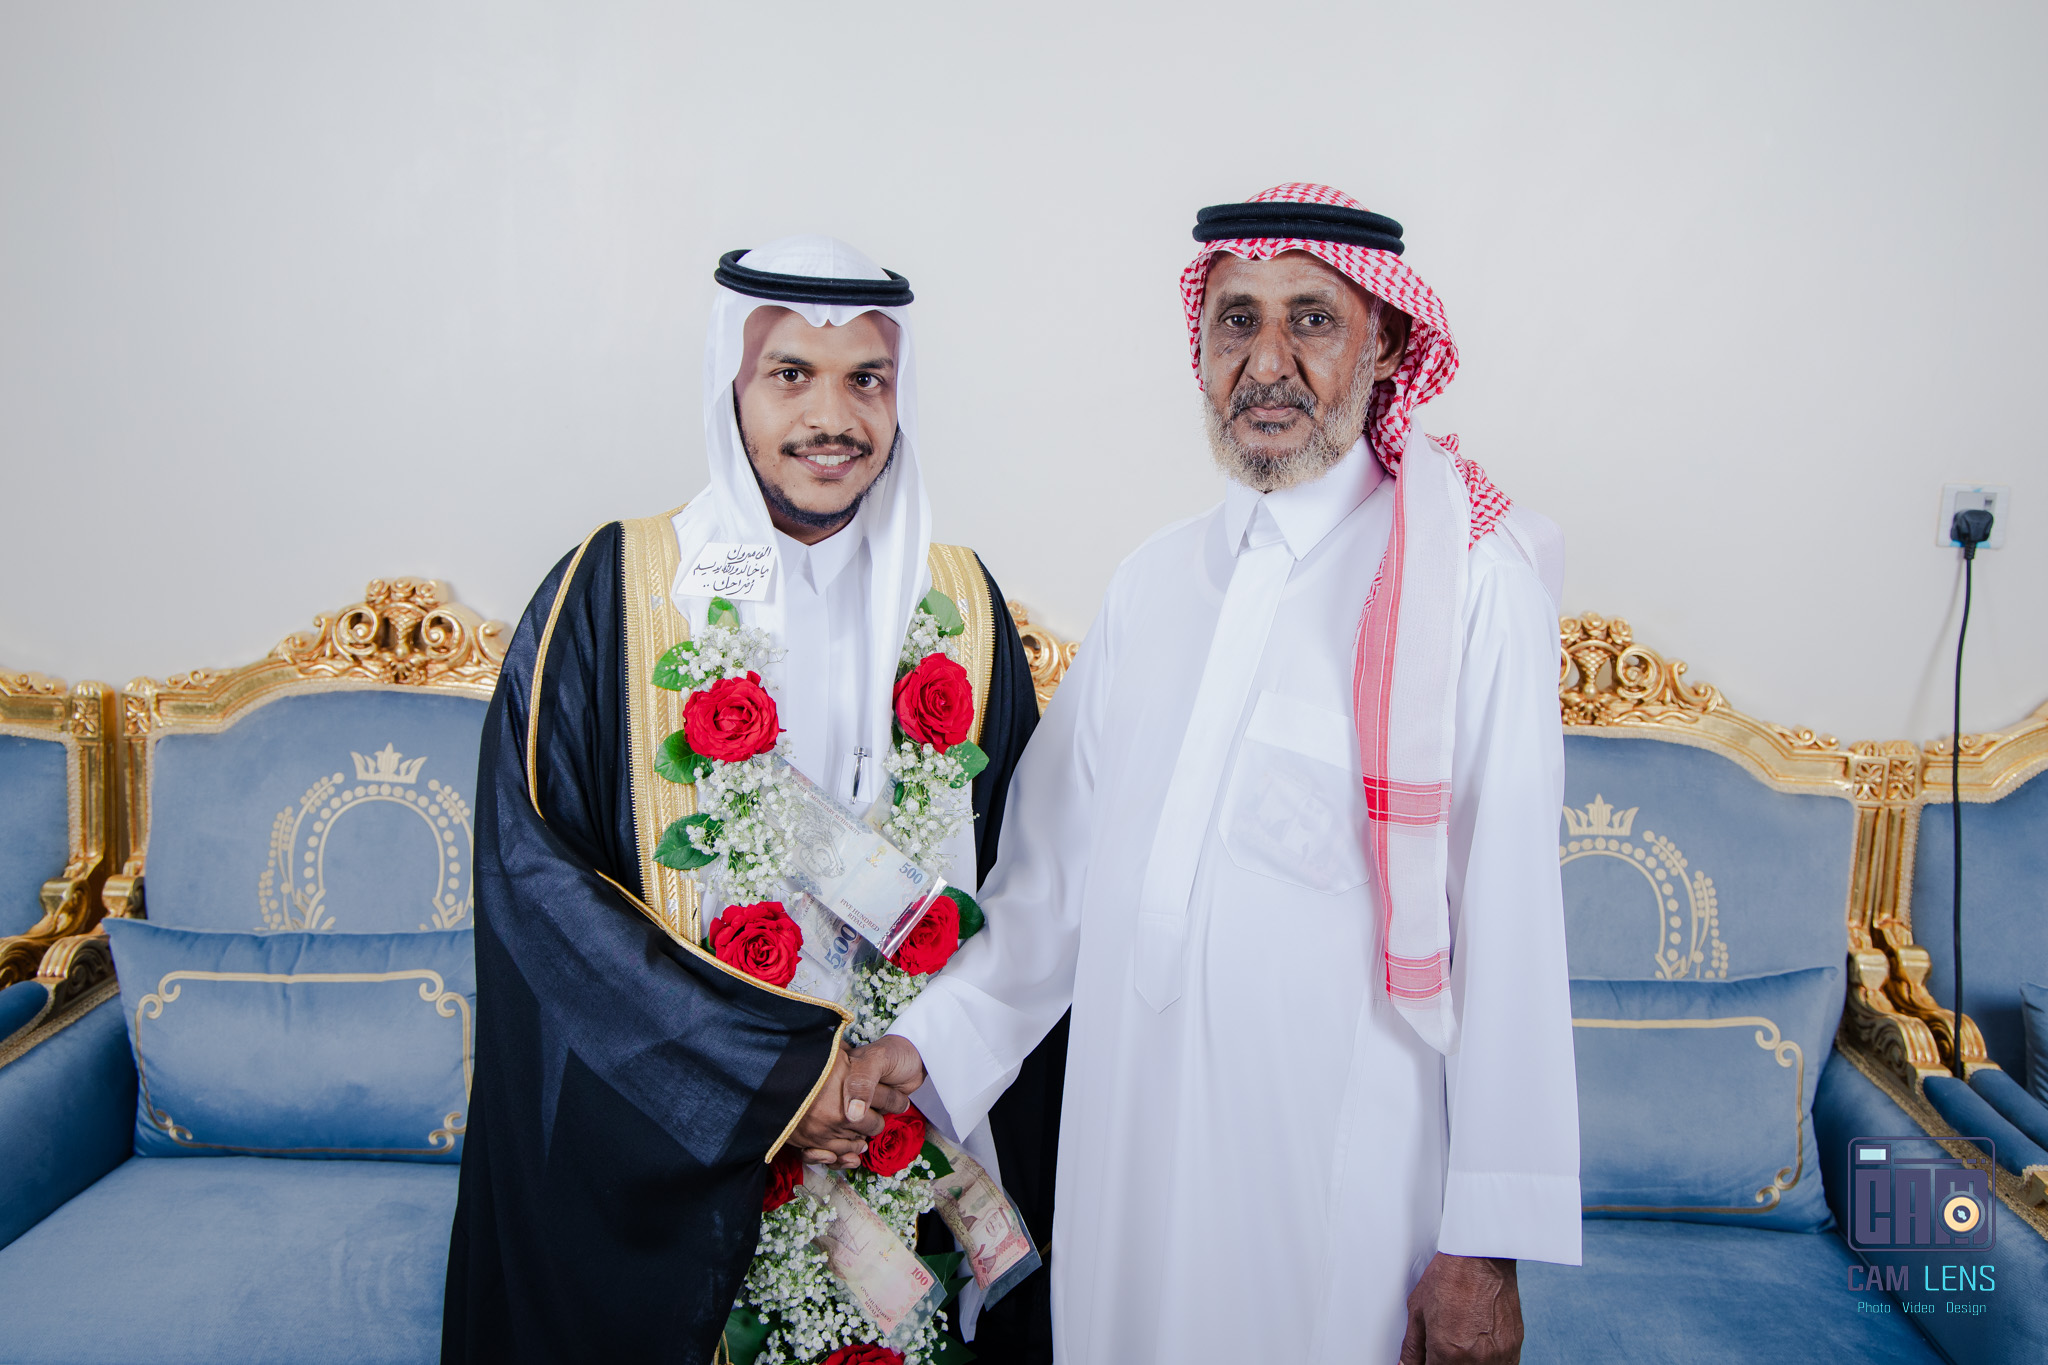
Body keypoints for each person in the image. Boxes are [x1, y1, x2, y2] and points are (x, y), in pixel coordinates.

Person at [845, 184, 1582, 1364]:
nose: (1267, 361)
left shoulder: (1467, 590)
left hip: (1334, 1177)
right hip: (1125, 1149)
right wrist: (923, 1046)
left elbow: (1510, 930)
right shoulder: (1150, 583)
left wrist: (1485, 1246)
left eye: (1312, 319)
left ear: (1388, 344)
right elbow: (1049, 888)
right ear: (1199, 345)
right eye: (1237, 320)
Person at [442, 236, 1062, 1364]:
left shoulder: (963, 606)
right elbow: (539, 889)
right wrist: (767, 1079)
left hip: (907, 1121)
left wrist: (921, 1053)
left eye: (866, 379)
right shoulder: (614, 589)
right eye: (790, 374)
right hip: (680, 1151)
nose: (832, 416)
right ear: (730, 385)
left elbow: (1034, 880)